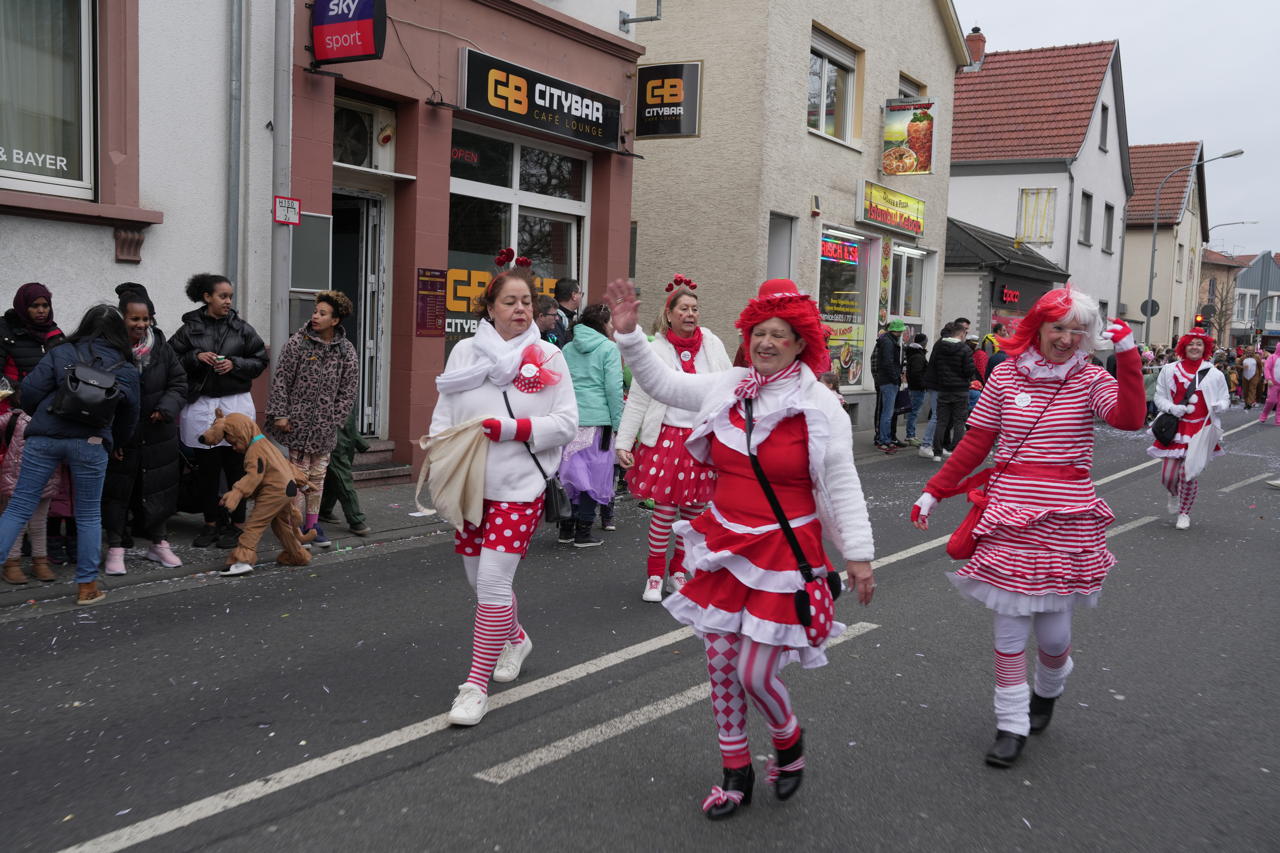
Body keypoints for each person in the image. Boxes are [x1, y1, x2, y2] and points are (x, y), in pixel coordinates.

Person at [607, 276, 875, 819]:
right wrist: (631, 335)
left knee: (755, 673)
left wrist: (859, 555)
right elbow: (663, 384)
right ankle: (735, 771)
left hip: (783, 553)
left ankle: (788, 737)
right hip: (727, 545)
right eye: (759, 332)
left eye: (779, 334)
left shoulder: (820, 405)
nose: (766, 342)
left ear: (801, 343)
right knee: (721, 664)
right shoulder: (727, 384)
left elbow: (841, 482)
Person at [910, 289, 1144, 768]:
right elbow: (976, 442)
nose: (1065, 338)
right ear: (1037, 327)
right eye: (1057, 327)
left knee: (1055, 637)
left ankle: (1049, 690)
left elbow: (1130, 418)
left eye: (1076, 330)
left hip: (1066, 519)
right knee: (1010, 625)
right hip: (1010, 514)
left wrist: (1128, 356)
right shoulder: (1005, 375)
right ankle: (1010, 722)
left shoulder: (1090, 377)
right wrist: (934, 490)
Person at [430, 260, 577, 726]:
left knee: (493, 583)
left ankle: (474, 686)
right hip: (471, 485)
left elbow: (568, 423)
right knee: (478, 582)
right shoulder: (464, 354)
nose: (520, 309)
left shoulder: (549, 357)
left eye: (527, 302)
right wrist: (437, 460)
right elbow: (445, 411)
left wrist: (513, 428)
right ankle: (515, 637)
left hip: (520, 486)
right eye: (509, 301)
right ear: (489, 308)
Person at [0, 305, 141, 605]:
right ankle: (87, 587)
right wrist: (118, 442)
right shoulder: (126, 367)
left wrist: (43, 417)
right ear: (118, 332)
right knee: (88, 514)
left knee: (19, 507)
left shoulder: (60, 351)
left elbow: (30, 389)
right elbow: (131, 415)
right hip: (91, 441)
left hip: (45, 436)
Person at [616, 278, 732, 602]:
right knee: (664, 512)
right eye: (684, 309)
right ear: (669, 314)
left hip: (701, 439)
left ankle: (678, 571)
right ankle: (654, 575)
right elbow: (639, 398)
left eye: (695, 309)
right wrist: (624, 441)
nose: (691, 314)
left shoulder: (712, 344)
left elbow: (727, 389)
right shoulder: (655, 349)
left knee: (693, 514)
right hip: (666, 439)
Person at [169, 274, 268, 549]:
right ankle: (210, 523)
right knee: (206, 470)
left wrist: (234, 364)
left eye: (230, 297)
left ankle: (237, 524)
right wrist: (194, 357)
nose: (228, 302)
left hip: (234, 403)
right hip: (202, 404)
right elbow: (169, 357)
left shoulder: (241, 328)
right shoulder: (189, 328)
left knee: (236, 466)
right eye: (223, 296)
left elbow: (260, 360)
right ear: (207, 297)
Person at [100, 284, 189, 575]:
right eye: (134, 319)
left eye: (145, 319)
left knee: (158, 489)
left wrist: (166, 408)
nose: (140, 324)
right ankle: (115, 547)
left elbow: (178, 383)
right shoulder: (108, 348)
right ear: (121, 318)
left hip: (157, 433)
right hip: (121, 434)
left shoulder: (161, 347)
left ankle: (159, 542)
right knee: (118, 492)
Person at [265, 291, 360, 548]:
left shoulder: (346, 351)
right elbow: (281, 379)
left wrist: (335, 419)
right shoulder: (298, 342)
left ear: (335, 320)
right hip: (295, 423)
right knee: (298, 476)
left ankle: (312, 524)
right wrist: (281, 414)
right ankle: (294, 526)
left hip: (324, 428)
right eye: (315, 311)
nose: (315, 316)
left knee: (318, 476)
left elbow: (348, 389)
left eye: (322, 313)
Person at [1147, 328, 1229, 530]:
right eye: (1191, 343)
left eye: (1199, 344)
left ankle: (1184, 513)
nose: (1195, 347)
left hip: (1201, 429)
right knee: (1168, 476)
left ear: (1205, 348)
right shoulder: (1170, 370)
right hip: (1176, 428)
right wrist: (1171, 408)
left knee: (1188, 473)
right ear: (1184, 346)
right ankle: (1174, 494)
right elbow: (1159, 397)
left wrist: (1220, 406)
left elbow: (1225, 398)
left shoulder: (1215, 374)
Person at [559, 304, 623, 548]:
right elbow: (613, 389)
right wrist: (619, 424)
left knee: (570, 475)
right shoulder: (608, 348)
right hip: (599, 421)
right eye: (610, 322)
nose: (613, 327)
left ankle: (566, 526)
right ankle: (583, 531)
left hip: (570, 419)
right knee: (595, 476)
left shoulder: (566, 348)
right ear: (603, 323)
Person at [0, 408, 60, 584]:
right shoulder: (14, 417)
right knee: (18, 523)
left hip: (46, 476)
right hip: (17, 478)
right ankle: (12, 563)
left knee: (39, 522)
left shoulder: (55, 415)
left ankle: (40, 560)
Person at [924, 323, 974, 462]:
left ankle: (937, 453)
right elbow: (969, 370)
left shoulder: (940, 347)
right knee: (959, 422)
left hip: (944, 389)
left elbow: (935, 366)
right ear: (962, 334)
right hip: (960, 390)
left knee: (941, 421)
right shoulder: (965, 349)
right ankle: (956, 450)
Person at [318, 409, 371, 536]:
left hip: (346, 437)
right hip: (334, 437)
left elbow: (347, 417)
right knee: (342, 477)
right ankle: (356, 519)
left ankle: (324, 510)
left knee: (334, 477)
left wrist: (357, 440)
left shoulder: (347, 392)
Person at [873, 319, 905, 451]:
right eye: (901, 330)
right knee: (887, 413)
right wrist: (895, 377)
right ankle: (883, 440)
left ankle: (886, 439)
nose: (902, 332)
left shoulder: (888, 340)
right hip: (888, 381)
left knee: (888, 413)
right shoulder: (888, 342)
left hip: (887, 381)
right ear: (896, 330)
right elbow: (888, 363)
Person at [904, 332, 928, 445]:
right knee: (914, 412)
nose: (926, 343)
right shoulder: (918, 356)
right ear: (923, 342)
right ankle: (910, 436)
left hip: (915, 387)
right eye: (926, 341)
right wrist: (923, 385)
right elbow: (916, 373)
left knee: (913, 412)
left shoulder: (914, 354)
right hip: (917, 389)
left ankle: (911, 435)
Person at [550, 278, 581, 347]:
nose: (581, 297)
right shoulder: (555, 319)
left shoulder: (570, 317)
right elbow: (557, 347)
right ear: (574, 296)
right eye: (580, 293)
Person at [1259, 344, 1280, 425]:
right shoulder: (1272, 357)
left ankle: (1278, 419)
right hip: (1273, 383)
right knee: (1271, 401)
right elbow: (1267, 368)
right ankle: (1264, 414)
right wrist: (1269, 379)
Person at [1239, 345, 1262, 410]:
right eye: (1248, 350)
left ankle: (1249, 403)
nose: (1249, 352)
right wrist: (1242, 367)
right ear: (1246, 350)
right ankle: (1246, 403)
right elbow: (1237, 365)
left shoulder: (1257, 357)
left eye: (1251, 351)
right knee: (1245, 390)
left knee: (1252, 389)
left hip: (1254, 376)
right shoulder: (1243, 357)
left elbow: (1260, 367)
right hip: (1245, 376)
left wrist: (1260, 376)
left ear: (1253, 351)